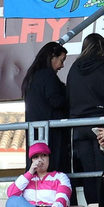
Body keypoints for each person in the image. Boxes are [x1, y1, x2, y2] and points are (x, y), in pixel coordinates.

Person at [66, 34, 104, 207]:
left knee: (89, 175)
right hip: (102, 125)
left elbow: (68, 97)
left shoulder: (74, 69)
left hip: (77, 127)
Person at [22, 42, 71, 175]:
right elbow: (56, 101)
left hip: (36, 133)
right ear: (52, 58)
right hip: (52, 135)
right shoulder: (48, 76)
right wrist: (71, 97)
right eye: (61, 60)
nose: (62, 65)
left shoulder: (32, 77)